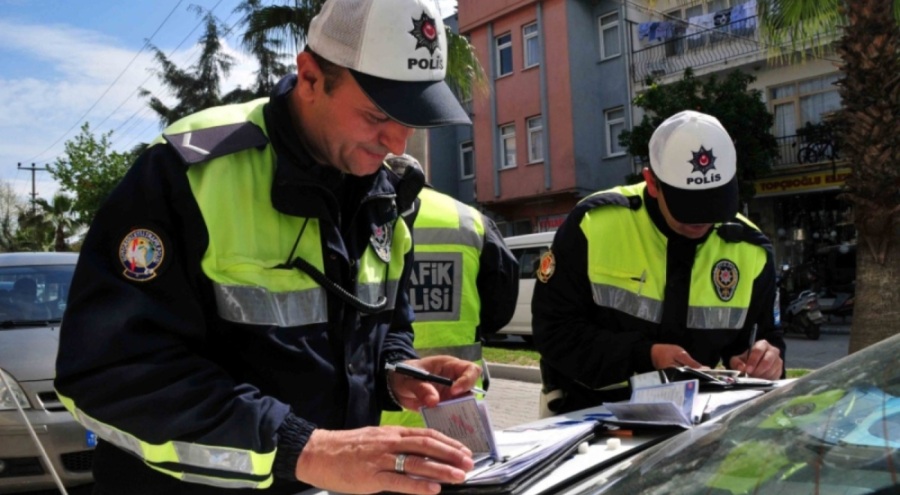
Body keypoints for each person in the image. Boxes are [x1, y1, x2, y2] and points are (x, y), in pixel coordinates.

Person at [53, 1, 485, 494]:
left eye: (413, 119)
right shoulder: (190, 172)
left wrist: (395, 370)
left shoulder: (383, 193)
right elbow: (111, 372)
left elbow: (383, 325)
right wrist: (305, 449)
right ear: (310, 77)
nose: (397, 142)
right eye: (377, 114)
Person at [532, 110, 785, 415]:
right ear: (652, 182)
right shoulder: (593, 224)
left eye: (715, 202)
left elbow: (764, 338)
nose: (703, 219)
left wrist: (766, 359)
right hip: (588, 412)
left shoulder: (751, 249)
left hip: (694, 420)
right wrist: (646, 355)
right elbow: (553, 332)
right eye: (689, 205)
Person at [380, 154, 519, 428]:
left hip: (378, 413)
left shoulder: (362, 214)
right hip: (454, 408)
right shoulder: (471, 220)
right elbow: (500, 310)